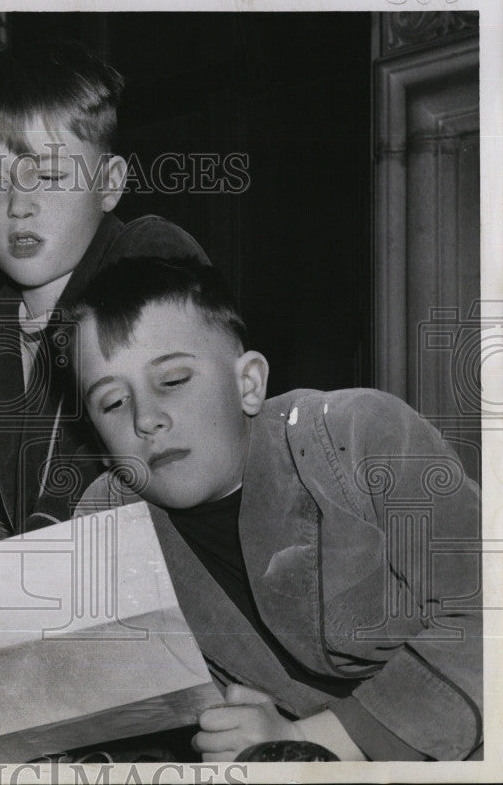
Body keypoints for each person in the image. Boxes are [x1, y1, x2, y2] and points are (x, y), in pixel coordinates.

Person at [0, 43, 209, 760]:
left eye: (51, 173)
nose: (20, 203)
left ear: (111, 182)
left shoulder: (149, 257)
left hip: (187, 671)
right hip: (64, 680)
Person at [59, 256, 482, 762]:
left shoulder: (361, 434)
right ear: (100, 444)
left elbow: (489, 614)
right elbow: (118, 716)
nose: (147, 418)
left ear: (249, 383)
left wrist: (308, 742)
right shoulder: (104, 528)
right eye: (111, 403)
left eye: (172, 380)